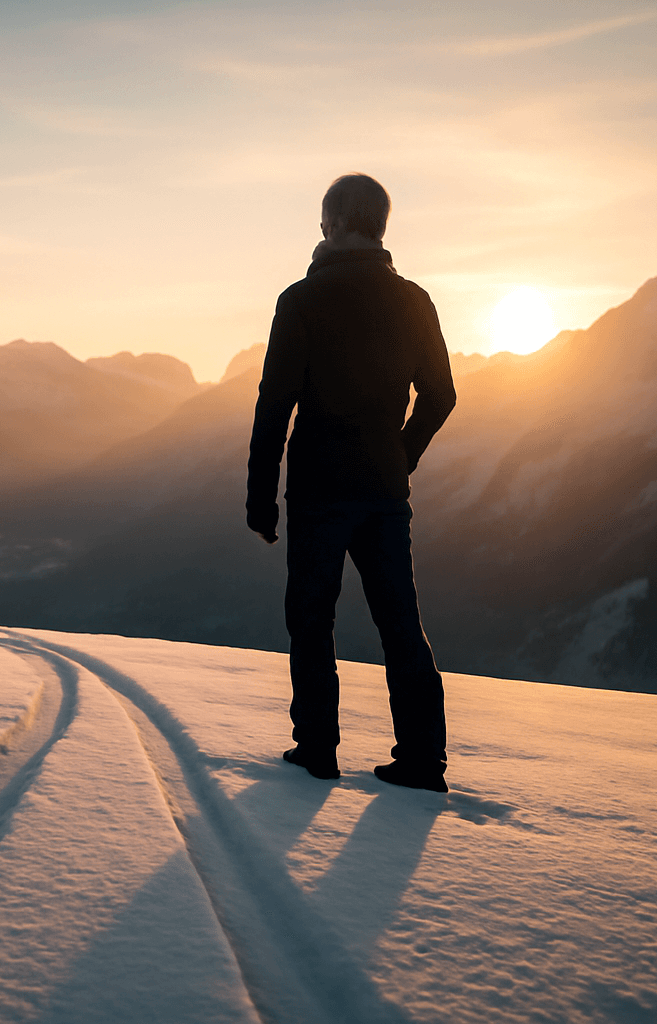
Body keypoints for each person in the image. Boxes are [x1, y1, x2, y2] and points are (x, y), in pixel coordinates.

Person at [245, 173, 457, 792]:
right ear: (381, 226)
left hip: (318, 487)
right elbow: (441, 395)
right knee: (400, 621)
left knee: (312, 618)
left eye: (322, 221)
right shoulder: (414, 300)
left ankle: (318, 748)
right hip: (385, 491)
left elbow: (274, 404)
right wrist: (402, 453)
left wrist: (261, 498)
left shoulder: (302, 300)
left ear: (333, 225)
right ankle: (422, 759)